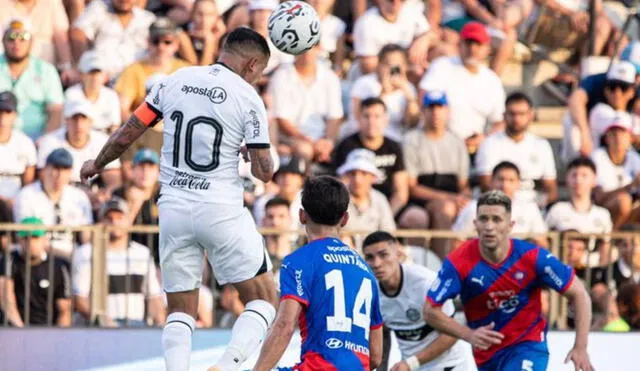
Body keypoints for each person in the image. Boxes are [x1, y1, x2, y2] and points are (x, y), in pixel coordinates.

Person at [79, 27, 277, 371]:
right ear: (253, 65)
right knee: (263, 299)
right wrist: (252, 153)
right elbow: (264, 173)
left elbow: (129, 131)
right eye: (259, 73)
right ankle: (226, 366)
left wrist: (97, 163)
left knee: (180, 309)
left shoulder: (176, 79)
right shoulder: (248, 98)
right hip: (220, 210)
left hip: (173, 210)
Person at [424, 190, 594, 371]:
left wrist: (581, 347)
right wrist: (469, 335)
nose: (489, 226)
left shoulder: (532, 257)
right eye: (484, 219)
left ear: (510, 225)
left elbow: (579, 293)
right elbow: (429, 311)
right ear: (475, 224)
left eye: (496, 220)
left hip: (528, 346)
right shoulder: (458, 262)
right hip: (486, 355)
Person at [253, 175, 384, 371]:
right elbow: (375, 356)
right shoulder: (365, 270)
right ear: (345, 219)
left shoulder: (298, 261)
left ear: (302, 216)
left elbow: (284, 327)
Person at [362, 231, 470, 371]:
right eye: (370, 257)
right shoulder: (371, 290)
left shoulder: (425, 283)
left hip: (449, 365)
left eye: (383, 255)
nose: (376, 264)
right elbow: (383, 334)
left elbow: (452, 333)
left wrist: (411, 363)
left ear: (399, 254)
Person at [73, 197, 165, 327]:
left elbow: (153, 296)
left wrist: (161, 323)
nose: (114, 222)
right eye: (109, 218)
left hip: (136, 325)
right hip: (100, 327)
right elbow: (80, 299)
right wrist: (104, 321)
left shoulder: (142, 253)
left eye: (120, 217)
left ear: (129, 221)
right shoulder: (86, 253)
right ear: (101, 222)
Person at [0, 217, 72, 327]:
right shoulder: (9, 260)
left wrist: (58, 337)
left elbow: (64, 309)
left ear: (44, 239)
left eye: (35, 237)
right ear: (19, 240)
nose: (30, 242)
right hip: (14, 328)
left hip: (47, 329)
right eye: (26, 238)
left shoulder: (59, 266)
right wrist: (22, 330)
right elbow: (6, 298)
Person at [0, 90, 36, 205]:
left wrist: (17, 201)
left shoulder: (25, 143)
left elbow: (28, 183)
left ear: (15, 115)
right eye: (0, 112)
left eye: (7, 112)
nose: (3, 118)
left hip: (17, 200)